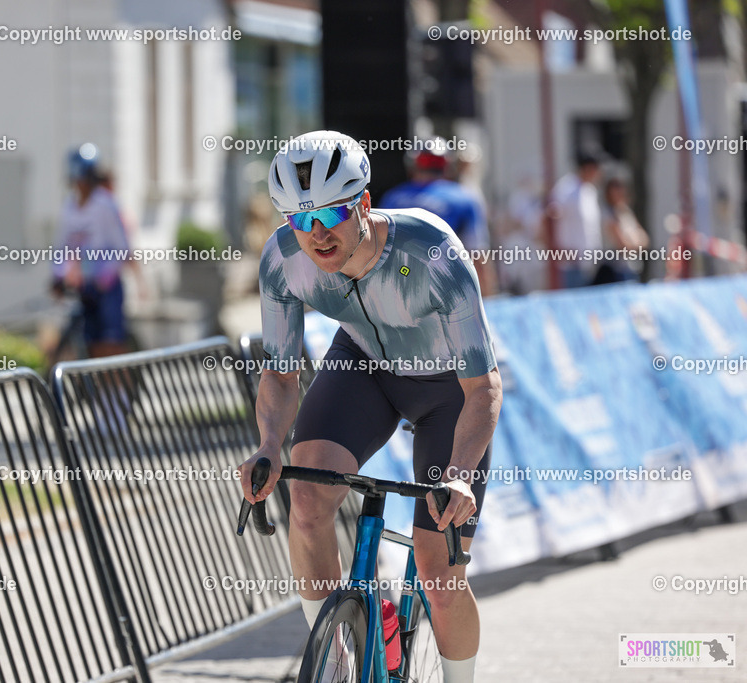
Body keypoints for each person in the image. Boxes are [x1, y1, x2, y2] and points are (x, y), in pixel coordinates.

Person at [240, 131, 501, 683]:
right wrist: (266, 447)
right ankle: (334, 666)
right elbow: (281, 375)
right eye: (297, 219)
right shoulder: (284, 260)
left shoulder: (429, 249)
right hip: (360, 370)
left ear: (361, 202)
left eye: (329, 214)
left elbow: (483, 388)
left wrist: (457, 475)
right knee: (306, 501)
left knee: (439, 575)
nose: (315, 235)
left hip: (447, 389)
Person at [380, 139, 496, 295]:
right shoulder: (465, 197)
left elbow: (378, 251)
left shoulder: (393, 197)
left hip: (400, 289)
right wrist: (488, 299)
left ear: (413, 166)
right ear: (447, 166)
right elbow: (478, 255)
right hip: (449, 291)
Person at [51, 144, 134, 359]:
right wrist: (59, 276)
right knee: (90, 346)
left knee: (111, 344)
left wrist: (106, 275)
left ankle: (119, 393)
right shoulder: (69, 208)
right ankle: (98, 393)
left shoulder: (106, 205)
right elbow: (62, 247)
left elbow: (122, 246)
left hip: (108, 288)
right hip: (85, 288)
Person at [549, 150, 604, 288]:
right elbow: (549, 219)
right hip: (570, 265)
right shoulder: (565, 189)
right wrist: (557, 250)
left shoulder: (590, 191)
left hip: (588, 263)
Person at [594, 174, 649, 284]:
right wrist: (635, 242)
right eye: (615, 189)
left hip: (632, 268)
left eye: (620, 188)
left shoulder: (626, 211)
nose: (619, 193)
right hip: (616, 272)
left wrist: (634, 243)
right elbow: (623, 246)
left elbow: (645, 241)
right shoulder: (608, 215)